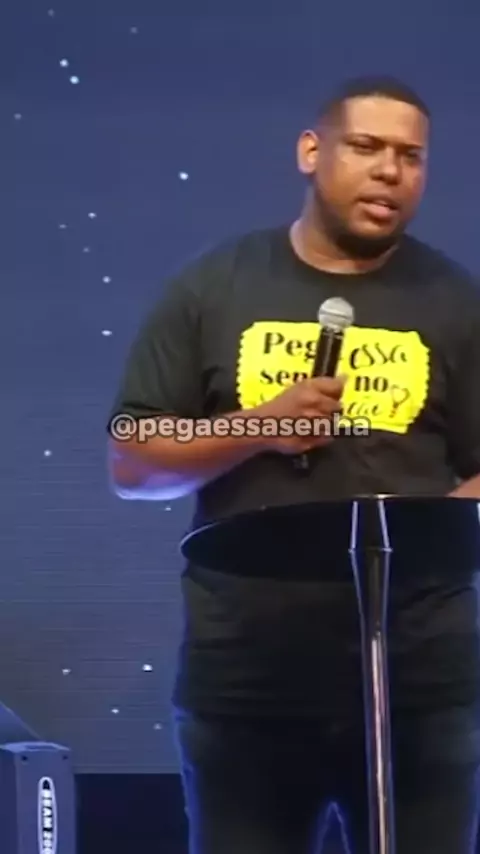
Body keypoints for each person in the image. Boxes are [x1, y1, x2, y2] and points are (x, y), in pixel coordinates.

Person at [107, 75, 480, 853]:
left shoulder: (457, 302)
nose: (389, 171)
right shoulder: (215, 285)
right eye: (367, 147)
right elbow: (134, 457)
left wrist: (441, 527)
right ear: (312, 151)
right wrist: (261, 426)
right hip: (248, 683)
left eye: (410, 156)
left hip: (419, 680)